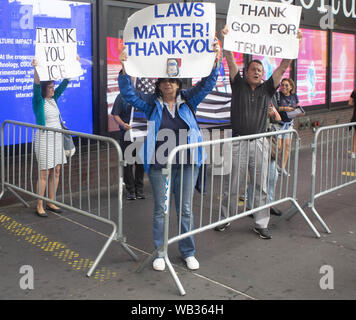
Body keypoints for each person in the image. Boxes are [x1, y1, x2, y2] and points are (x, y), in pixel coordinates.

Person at [118, 42, 220, 271]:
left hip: (187, 164)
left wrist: (216, 59)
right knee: (161, 210)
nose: (168, 85)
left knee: (185, 209)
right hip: (160, 166)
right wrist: (124, 67)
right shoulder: (150, 104)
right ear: (159, 84)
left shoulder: (189, 100)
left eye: (172, 81)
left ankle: (188, 252)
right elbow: (128, 94)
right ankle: (160, 252)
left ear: (178, 83)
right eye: (164, 81)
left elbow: (207, 84)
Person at [215, 25, 302, 239]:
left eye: (260, 70)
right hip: (238, 141)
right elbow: (229, 58)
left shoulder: (268, 89)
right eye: (253, 69)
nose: (257, 72)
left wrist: (295, 43)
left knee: (261, 185)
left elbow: (283, 67)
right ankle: (225, 219)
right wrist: (225, 38)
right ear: (245, 73)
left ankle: (261, 223)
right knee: (233, 184)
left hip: (261, 142)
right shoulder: (238, 85)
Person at [32, 58, 71, 217]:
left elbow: (64, 84)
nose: (53, 89)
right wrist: (35, 69)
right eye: (50, 87)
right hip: (44, 139)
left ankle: (51, 201)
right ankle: (39, 204)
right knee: (44, 173)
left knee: (56, 170)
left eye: (53, 86)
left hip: (56, 139)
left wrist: (71, 67)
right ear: (43, 89)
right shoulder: (38, 101)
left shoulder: (53, 99)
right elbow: (35, 86)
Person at [112, 89, 145, 200]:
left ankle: (139, 189)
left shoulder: (142, 95)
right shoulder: (121, 96)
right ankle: (130, 190)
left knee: (141, 163)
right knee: (127, 163)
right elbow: (115, 114)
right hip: (126, 134)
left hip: (140, 134)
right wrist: (122, 124)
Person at [275, 78, 305, 175]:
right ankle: (274, 166)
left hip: (289, 124)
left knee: (287, 146)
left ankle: (282, 168)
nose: (284, 87)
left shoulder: (294, 96)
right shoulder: (278, 95)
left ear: (291, 87)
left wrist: (299, 112)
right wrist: (285, 108)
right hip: (278, 124)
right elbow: (274, 107)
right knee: (278, 147)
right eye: (282, 85)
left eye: (286, 85)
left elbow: (297, 106)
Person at [348, 88, 356, 159]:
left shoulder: (354, 91)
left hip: (355, 116)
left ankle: (353, 153)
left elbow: (350, 103)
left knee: (355, 136)